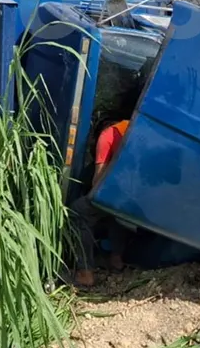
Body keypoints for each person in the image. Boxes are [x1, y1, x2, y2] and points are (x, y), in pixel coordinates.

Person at [70, 119, 133, 287]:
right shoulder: (132, 126)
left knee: (80, 210)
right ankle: (116, 260)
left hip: (118, 194)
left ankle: (85, 273)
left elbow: (98, 183)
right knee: (117, 210)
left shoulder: (107, 135)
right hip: (135, 196)